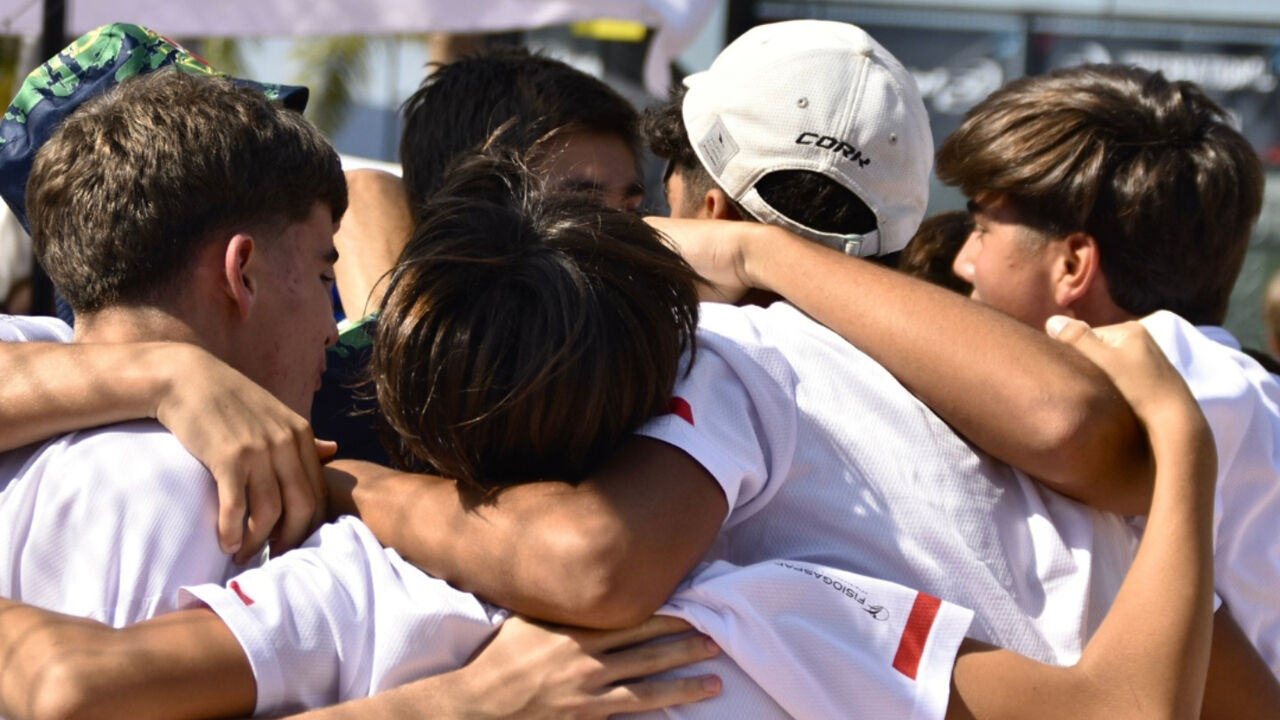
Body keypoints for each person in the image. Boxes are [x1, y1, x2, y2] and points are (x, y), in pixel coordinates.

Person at [0, 148, 1231, 720]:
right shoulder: (768, 613)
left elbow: (63, 688)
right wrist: (1180, 455)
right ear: (669, 371)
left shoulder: (356, 582)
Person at [936, 63, 1280, 677]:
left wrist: (771, 255)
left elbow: (1064, 417)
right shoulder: (1244, 390)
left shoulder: (1190, 375)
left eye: (983, 230)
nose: (964, 262)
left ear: (1073, 265)